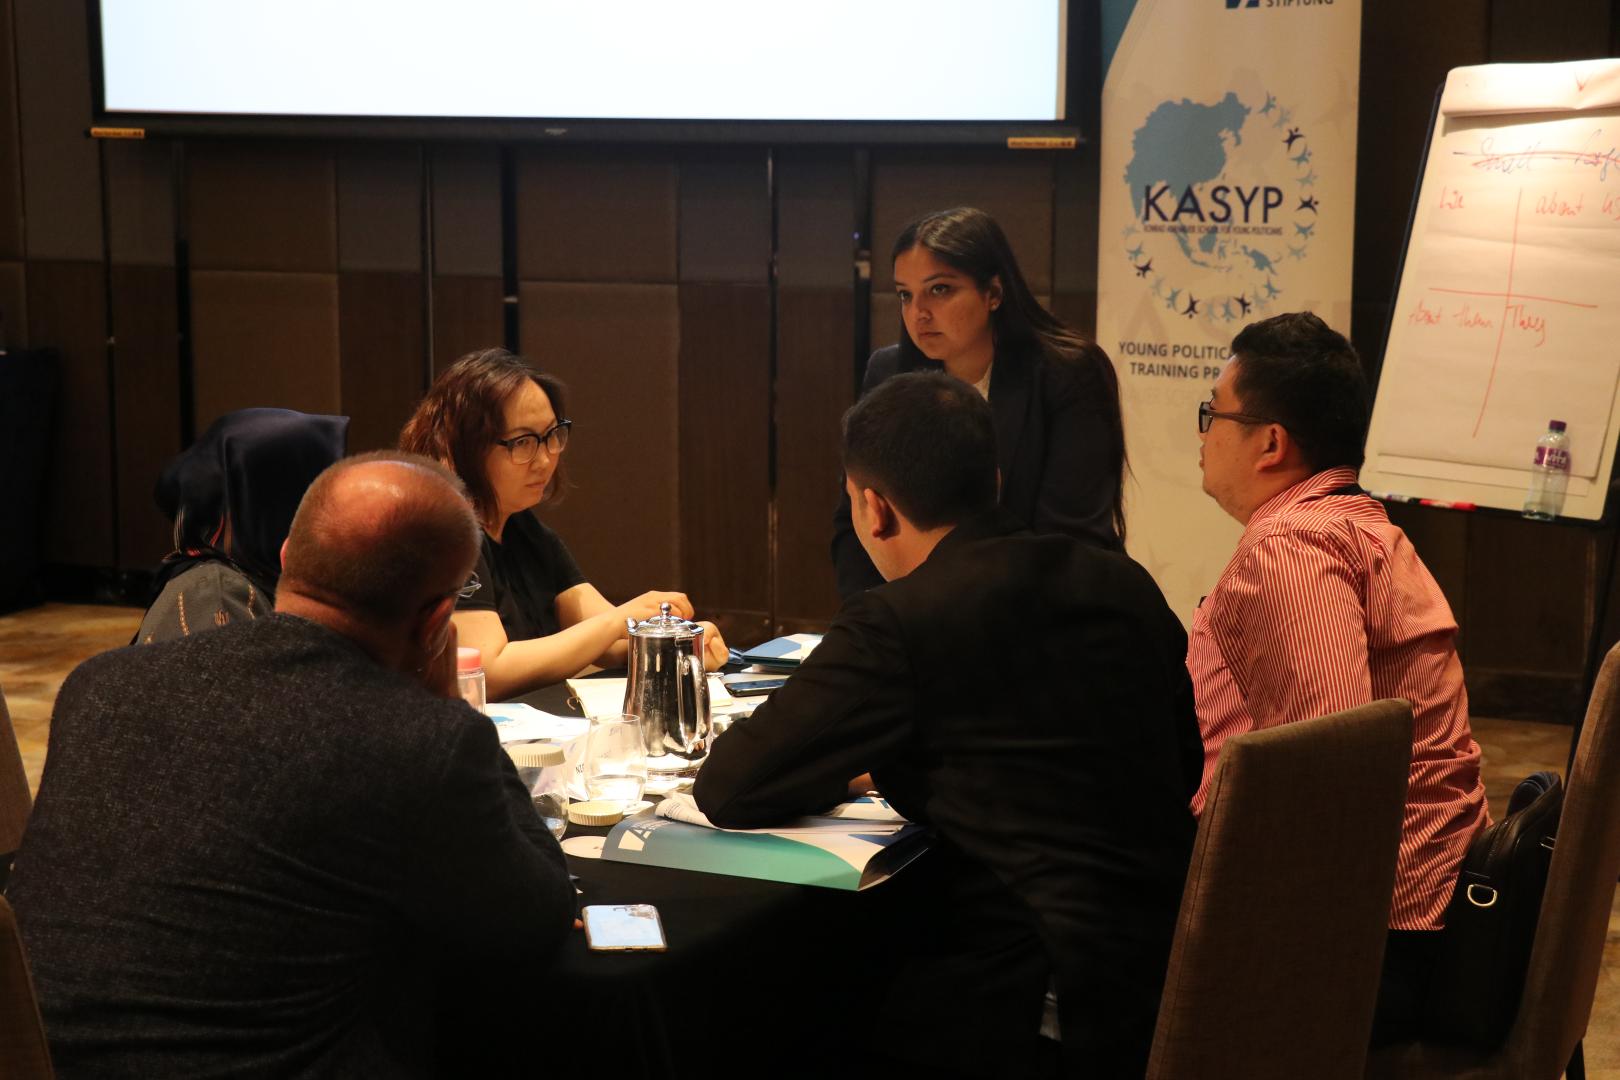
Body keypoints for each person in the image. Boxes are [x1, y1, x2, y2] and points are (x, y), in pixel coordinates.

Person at [696, 372, 1201, 1078]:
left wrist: (853, 771)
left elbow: (730, 784)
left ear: (874, 509)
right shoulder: (1124, 583)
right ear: (993, 479)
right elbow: (1184, 761)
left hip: (1034, 1001)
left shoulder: (900, 619)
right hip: (1171, 973)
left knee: (784, 1007)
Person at [7, 452, 577, 1077]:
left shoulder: (100, 683)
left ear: (285, 557)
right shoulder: (416, 741)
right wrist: (451, 709)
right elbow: (535, 919)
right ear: (438, 622)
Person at [1188, 311, 1489, 1042]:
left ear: (1270, 443)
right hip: (1420, 918)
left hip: (1368, 944)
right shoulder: (1356, 525)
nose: (1203, 435)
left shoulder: (1291, 546)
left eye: (1212, 414)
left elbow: (1325, 779)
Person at [830, 206, 1126, 598]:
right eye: (905, 294)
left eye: (940, 289)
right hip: (916, 610)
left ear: (994, 293)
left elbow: (1069, 539)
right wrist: (874, 618)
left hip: (1047, 607)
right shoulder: (888, 373)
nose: (918, 313)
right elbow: (856, 518)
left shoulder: (1069, 372)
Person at [399, 348, 726, 699]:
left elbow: (607, 640)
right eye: (523, 442)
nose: (544, 459)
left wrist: (679, 646)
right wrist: (620, 621)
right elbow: (489, 670)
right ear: (465, 445)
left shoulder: (525, 530)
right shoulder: (447, 535)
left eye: (552, 435)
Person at [137, 407, 348, 643]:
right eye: (319, 491)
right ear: (276, 503)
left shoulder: (260, 575)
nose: (336, 511)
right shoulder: (216, 593)